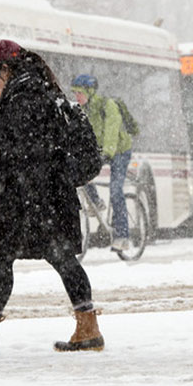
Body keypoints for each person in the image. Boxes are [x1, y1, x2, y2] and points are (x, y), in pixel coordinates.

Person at [0, 39, 104, 355]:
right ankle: (87, 326)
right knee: (60, 257)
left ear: (3, 69)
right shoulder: (42, 90)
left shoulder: (23, 97)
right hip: (50, 195)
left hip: (29, 197)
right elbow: (33, 150)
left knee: (1, 255)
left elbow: (24, 153)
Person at [69, 74, 133, 252]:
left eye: (79, 93)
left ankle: (123, 236)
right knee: (80, 174)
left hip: (119, 151)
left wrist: (107, 152)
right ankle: (96, 202)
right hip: (100, 151)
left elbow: (112, 131)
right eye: (74, 93)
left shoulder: (107, 106)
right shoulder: (82, 111)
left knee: (115, 190)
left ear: (90, 92)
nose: (77, 97)